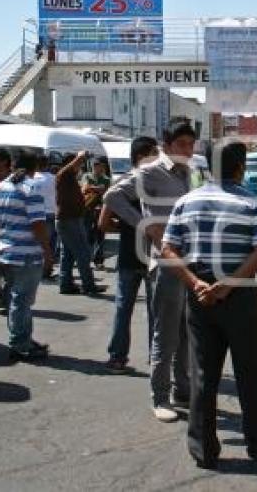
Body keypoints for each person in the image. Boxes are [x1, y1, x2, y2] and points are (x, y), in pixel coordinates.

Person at [161, 142, 257, 469]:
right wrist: (228, 285)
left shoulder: (186, 201)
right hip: (240, 293)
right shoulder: (250, 201)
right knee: (253, 370)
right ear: (240, 167)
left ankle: (203, 448)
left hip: (200, 294)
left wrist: (196, 284)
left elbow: (168, 250)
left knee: (203, 372)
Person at [104, 120, 196, 423]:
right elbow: (112, 197)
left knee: (185, 331)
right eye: (182, 144)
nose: (188, 150)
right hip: (165, 263)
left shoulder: (186, 173)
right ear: (167, 145)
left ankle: (182, 390)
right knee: (165, 333)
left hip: (187, 260)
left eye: (191, 144)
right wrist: (145, 226)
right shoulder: (149, 171)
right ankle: (160, 397)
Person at [101, 137, 159, 374]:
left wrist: (127, 228)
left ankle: (117, 358)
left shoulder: (120, 184)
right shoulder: (156, 184)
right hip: (153, 255)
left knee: (123, 308)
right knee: (156, 310)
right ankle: (156, 358)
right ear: (140, 157)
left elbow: (103, 223)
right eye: (154, 153)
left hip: (128, 255)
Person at [0, 150, 52, 361]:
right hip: (27, 254)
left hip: (7, 252)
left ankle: (23, 338)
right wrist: (48, 251)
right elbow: (38, 224)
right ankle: (19, 344)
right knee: (22, 301)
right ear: (34, 167)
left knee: (15, 299)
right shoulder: (30, 188)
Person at [56, 151, 104, 296]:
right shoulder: (64, 174)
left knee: (68, 254)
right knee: (83, 253)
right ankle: (88, 285)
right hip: (69, 220)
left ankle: (66, 284)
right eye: (77, 164)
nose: (80, 167)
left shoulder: (69, 178)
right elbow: (75, 163)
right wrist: (82, 155)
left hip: (70, 219)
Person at [81, 157, 111, 270]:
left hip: (101, 210)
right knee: (87, 234)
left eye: (101, 166)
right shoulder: (87, 176)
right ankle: (86, 258)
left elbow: (107, 192)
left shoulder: (106, 179)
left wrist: (92, 188)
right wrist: (98, 188)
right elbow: (84, 189)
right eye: (97, 166)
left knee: (100, 235)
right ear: (93, 166)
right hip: (88, 209)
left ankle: (98, 260)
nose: (99, 168)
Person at [0, 148, 13, 313]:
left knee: (7, 268)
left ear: (4, 162)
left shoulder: (14, 181)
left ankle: (6, 298)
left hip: (10, 231)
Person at [32, 156, 58, 279]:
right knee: (50, 242)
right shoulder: (54, 178)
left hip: (36, 214)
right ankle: (47, 269)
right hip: (51, 212)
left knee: (39, 242)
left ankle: (39, 270)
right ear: (47, 164)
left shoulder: (32, 179)